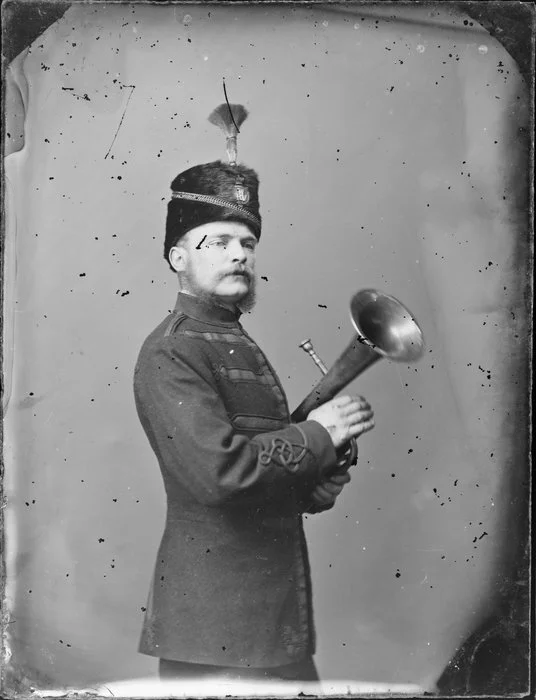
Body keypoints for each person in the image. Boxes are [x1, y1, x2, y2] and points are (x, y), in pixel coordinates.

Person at [133, 103, 375, 683]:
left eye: (247, 242)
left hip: (274, 622)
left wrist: (326, 466)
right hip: (213, 629)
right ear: (178, 257)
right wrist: (320, 434)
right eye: (217, 241)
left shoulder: (234, 340)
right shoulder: (172, 351)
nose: (240, 252)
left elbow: (276, 485)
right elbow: (222, 477)